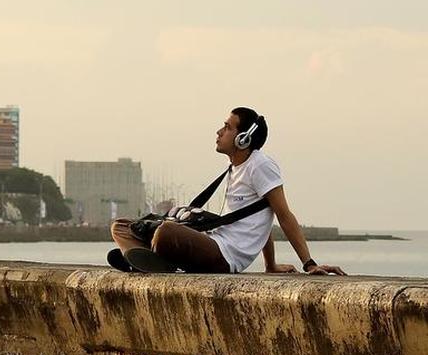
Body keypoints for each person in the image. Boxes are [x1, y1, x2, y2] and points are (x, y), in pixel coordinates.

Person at [109, 107, 346, 275]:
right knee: (121, 225)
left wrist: (309, 263)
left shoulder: (260, 165)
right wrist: (270, 265)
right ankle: (146, 260)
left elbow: (282, 215)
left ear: (243, 138)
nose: (219, 132)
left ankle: (148, 258)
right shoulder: (235, 168)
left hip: (225, 256)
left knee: (165, 232)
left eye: (227, 127)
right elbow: (257, 219)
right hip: (214, 241)